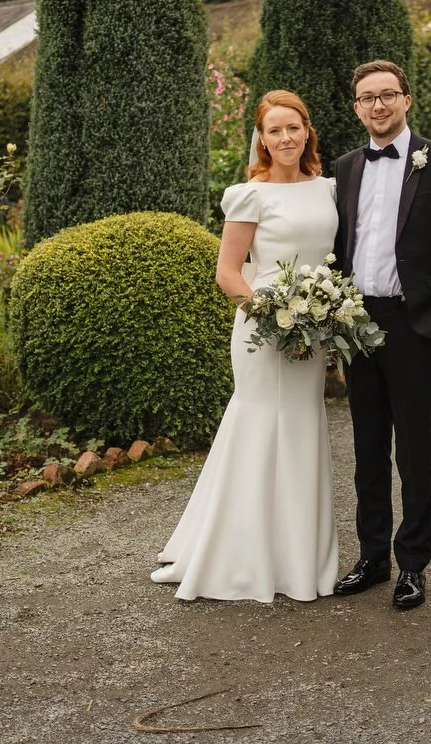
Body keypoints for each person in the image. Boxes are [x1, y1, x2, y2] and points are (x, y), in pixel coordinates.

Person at [151, 90, 339, 602]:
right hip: (264, 332)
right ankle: (241, 557)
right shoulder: (250, 195)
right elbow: (228, 274)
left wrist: (323, 315)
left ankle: (297, 558)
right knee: (258, 426)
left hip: (316, 328)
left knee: (302, 427)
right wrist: (277, 321)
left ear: (307, 132)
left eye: (294, 127)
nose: (286, 137)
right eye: (275, 130)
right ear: (262, 139)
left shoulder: (327, 189)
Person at [331, 60, 431, 610]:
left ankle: (412, 564)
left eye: (388, 94)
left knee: (414, 450)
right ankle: (372, 558)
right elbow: (342, 246)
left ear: (406, 100)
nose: (379, 105)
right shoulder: (347, 167)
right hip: (356, 323)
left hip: (414, 325)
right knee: (367, 448)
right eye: (368, 98)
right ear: (357, 108)